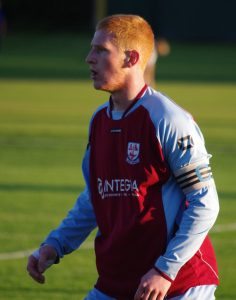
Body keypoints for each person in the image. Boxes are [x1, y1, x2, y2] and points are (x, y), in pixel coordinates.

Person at [27, 14, 220, 300]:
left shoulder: (168, 119)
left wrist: (165, 270)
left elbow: (205, 203)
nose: (89, 59)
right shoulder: (98, 123)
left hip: (178, 285)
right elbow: (96, 197)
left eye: (101, 50)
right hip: (116, 282)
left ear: (131, 58)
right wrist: (55, 245)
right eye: (92, 48)